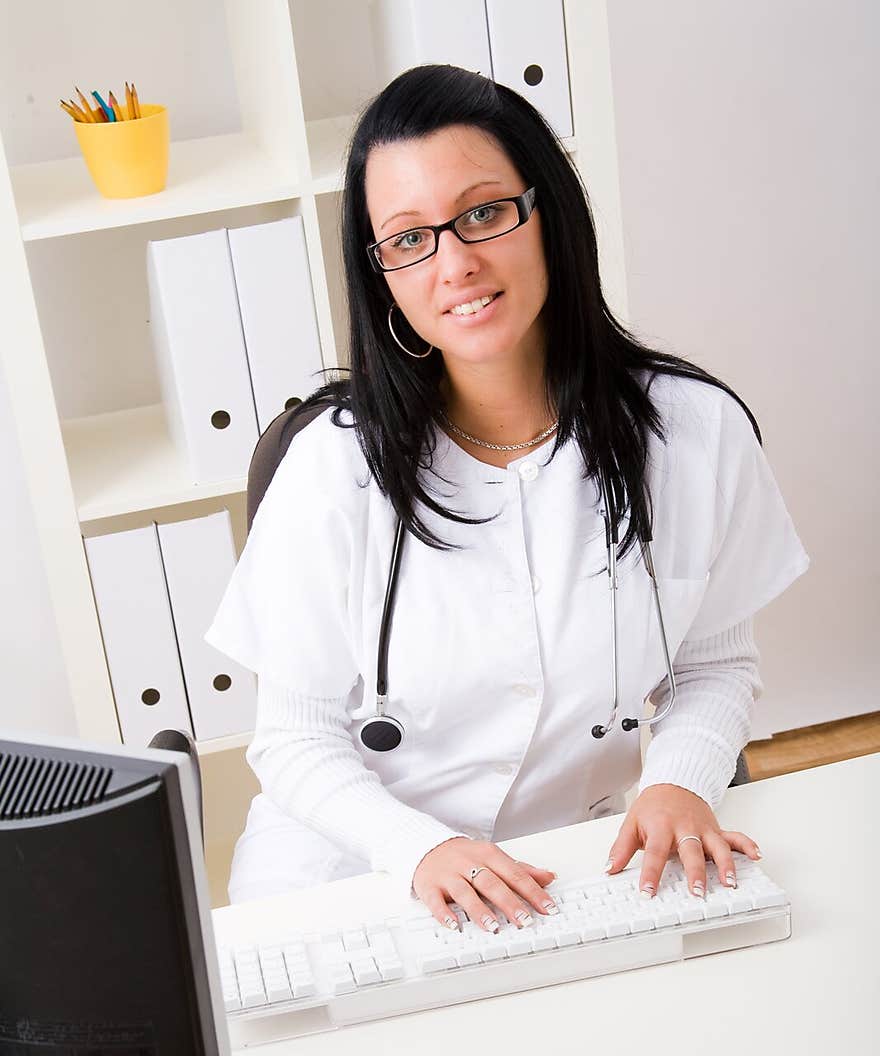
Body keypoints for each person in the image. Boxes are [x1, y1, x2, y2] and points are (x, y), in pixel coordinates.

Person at [205, 64, 809, 932]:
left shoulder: (693, 433)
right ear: (382, 275)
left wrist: (678, 780)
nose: (455, 264)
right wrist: (420, 850)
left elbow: (714, 666)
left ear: (548, 215)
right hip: (350, 870)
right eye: (409, 239)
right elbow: (294, 741)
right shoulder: (331, 470)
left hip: (573, 862)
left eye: (484, 213)